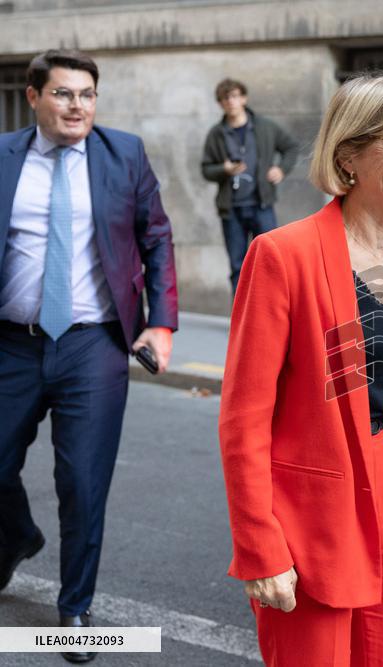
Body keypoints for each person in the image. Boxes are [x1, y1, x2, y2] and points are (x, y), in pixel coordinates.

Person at [218, 73, 383, 666]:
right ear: (349, 154)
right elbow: (244, 419)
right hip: (308, 512)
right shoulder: (281, 255)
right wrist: (259, 547)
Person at [0, 49, 177, 663]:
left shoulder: (123, 154)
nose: (78, 106)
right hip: (11, 344)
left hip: (94, 345)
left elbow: (156, 236)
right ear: (33, 96)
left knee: (81, 482)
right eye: (63, 94)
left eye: (87, 95)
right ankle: (17, 538)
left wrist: (162, 324)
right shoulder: (3, 158)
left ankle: (75, 609)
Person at [200, 78, 299, 295]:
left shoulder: (265, 127)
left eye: (235, 96)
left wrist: (281, 169)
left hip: (261, 205)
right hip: (231, 209)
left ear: (244, 98)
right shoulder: (216, 134)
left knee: (272, 262)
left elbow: (291, 147)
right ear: (220, 103)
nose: (231, 101)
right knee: (237, 266)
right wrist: (223, 169)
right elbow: (206, 169)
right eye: (225, 98)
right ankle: (240, 322)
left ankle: (274, 315)